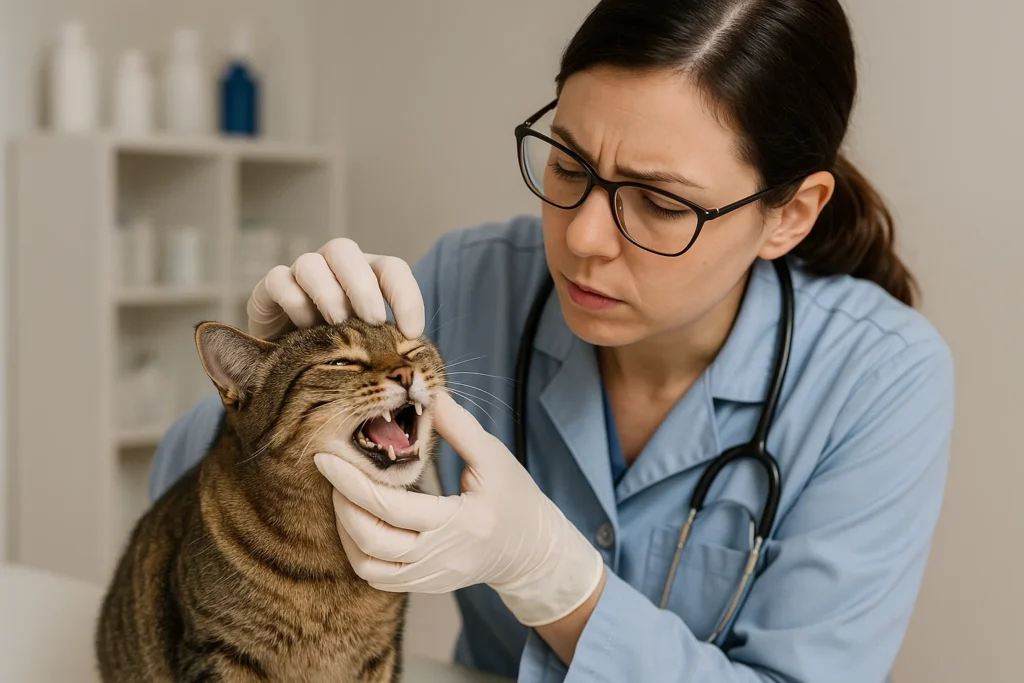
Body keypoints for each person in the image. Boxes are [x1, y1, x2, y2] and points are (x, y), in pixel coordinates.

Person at [148, 1, 955, 681]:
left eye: (659, 203)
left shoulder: (881, 377)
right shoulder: (469, 276)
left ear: (790, 214)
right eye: (568, 165)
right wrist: (268, 379)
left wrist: (559, 583)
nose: (583, 238)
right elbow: (178, 525)